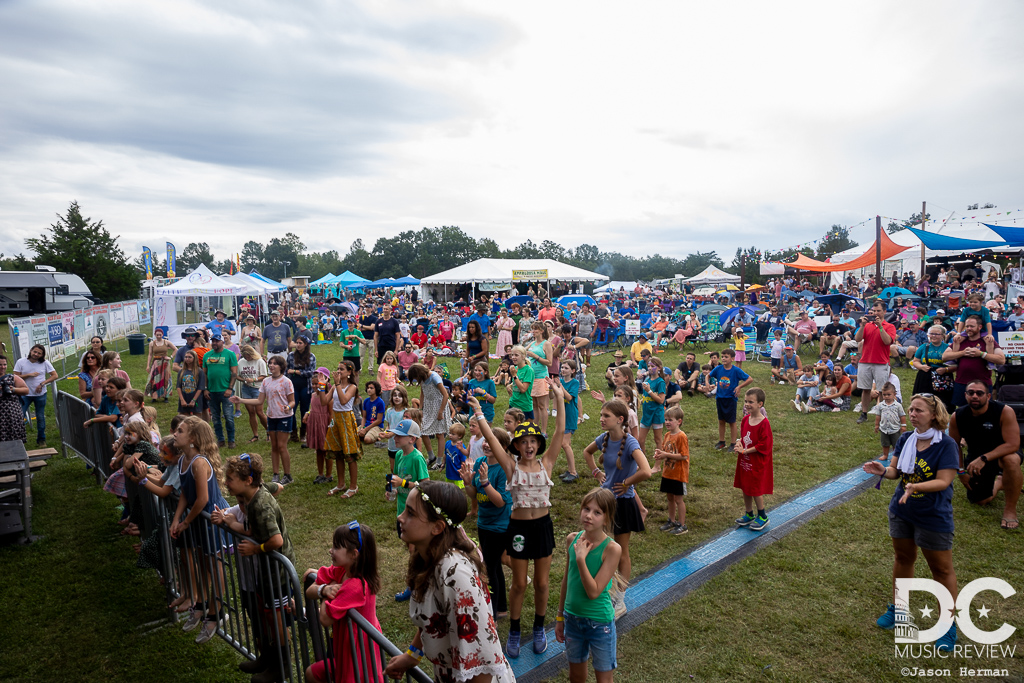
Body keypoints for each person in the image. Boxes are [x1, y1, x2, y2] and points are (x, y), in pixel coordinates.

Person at [385, 480, 516, 683]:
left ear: (437, 527)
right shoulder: (427, 558)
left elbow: (481, 665)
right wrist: (412, 656)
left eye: (410, 513)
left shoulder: (455, 575)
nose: (399, 517)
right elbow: (436, 619)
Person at [470, 383, 566, 658]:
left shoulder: (547, 463)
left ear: (539, 444)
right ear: (516, 445)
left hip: (543, 527)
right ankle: (514, 629)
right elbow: (490, 436)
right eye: (523, 442)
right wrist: (479, 414)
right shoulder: (511, 466)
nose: (529, 446)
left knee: (542, 583)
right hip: (519, 529)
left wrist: (558, 397)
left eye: (533, 441)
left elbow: (560, 430)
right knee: (520, 583)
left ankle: (538, 627)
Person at [863, 394, 959, 652]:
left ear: (934, 415)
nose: (913, 414)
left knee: (941, 570)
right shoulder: (906, 439)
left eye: (919, 410)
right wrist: (882, 469)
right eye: (911, 409)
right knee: (903, 559)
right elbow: (896, 472)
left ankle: (948, 624)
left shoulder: (947, 445)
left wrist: (915, 485)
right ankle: (898, 609)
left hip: (933, 515)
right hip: (902, 510)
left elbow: (943, 481)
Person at [215, 453, 297, 680]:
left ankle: (282, 667)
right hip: (266, 571)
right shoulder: (253, 495)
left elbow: (276, 541)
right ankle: (269, 658)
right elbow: (256, 528)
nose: (226, 483)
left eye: (230, 479)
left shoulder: (260, 505)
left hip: (277, 573)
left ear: (248, 480)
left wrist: (255, 549)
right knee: (267, 616)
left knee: (276, 618)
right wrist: (238, 526)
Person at [582, 400, 652, 618]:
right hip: (604, 502)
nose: (601, 419)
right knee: (599, 547)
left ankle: (619, 600)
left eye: (606, 416)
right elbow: (587, 452)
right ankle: (601, 588)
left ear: (620, 420)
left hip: (622, 504)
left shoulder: (630, 443)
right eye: (601, 415)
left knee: (621, 553)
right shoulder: (603, 439)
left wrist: (627, 482)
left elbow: (647, 471)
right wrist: (596, 472)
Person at [170, 417, 228, 644]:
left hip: (210, 520)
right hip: (197, 520)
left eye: (180, 431)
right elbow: (186, 492)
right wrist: (177, 519)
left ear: (192, 438)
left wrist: (185, 523)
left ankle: (216, 613)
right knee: (204, 564)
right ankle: (202, 604)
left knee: (215, 566)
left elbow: (203, 499)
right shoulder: (184, 460)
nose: (175, 433)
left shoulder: (199, 463)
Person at [555, 488, 622, 683]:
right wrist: (560, 616)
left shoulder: (611, 549)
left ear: (607, 519)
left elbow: (593, 591)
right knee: (575, 677)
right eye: (586, 509)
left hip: (599, 624)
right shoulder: (572, 539)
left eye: (597, 512)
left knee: (604, 679)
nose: (589, 516)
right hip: (572, 620)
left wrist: (582, 559)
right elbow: (567, 581)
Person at [303, 522, 383, 683]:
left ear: (354, 554)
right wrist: (324, 589)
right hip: (345, 650)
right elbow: (309, 590)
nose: (330, 550)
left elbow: (325, 619)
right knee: (311, 673)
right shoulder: (342, 570)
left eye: (336, 547)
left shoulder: (356, 585)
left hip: (357, 657)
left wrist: (329, 588)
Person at [949, 380, 1022, 529]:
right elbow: (953, 446)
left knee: (1012, 460)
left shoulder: (1004, 411)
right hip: (975, 458)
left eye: (979, 393)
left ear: (988, 396)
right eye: (971, 393)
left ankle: (1010, 510)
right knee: (981, 501)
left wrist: (984, 458)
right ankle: (1001, 482)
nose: (975, 396)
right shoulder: (957, 416)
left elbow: (1013, 444)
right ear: (965, 395)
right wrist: (961, 471)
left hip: (1002, 454)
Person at [460, 418, 513, 618]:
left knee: (490, 566)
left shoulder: (503, 470)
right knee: (493, 565)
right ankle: (501, 607)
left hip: (499, 526)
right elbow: (475, 495)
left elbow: (500, 502)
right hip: (484, 522)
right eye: (486, 442)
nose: (486, 445)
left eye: (493, 443)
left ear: (503, 448)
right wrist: (467, 483)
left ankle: (496, 609)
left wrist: (484, 481)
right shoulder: (481, 462)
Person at [232, 356, 295, 484]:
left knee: (282, 446)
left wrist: (288, 407)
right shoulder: (266, 381)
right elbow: (259, 400)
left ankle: (287, 475)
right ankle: (276, 474)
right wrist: (241, 400)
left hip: (284, 417)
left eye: (275, 364)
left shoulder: (286, 381)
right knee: (274, 446)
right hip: (271, 416)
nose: (271, 365)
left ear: (281, 367)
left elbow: (292, 401)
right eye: (270, 363)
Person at [943, 314, 1005, 408]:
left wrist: (981, 354)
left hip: (982, 384)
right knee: (962, 411)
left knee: (983, 411)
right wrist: (963, 353)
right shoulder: (961, 340)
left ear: (980, 327)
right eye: (967, 326)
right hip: (962, 383)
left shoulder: (987, 341)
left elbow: (1001, 360)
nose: (968, 329)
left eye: (972, 326)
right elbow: (944, 357)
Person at [734, 388, 774, 532]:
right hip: (745, 460)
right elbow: (744, 437)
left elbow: (764, 445)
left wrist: (745, 451)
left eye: (751, 402)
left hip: (757, 462)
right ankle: (749, 513)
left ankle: (762, 515)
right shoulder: (745, 419)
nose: (747, 404)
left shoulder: (764, 423)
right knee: (745, 486)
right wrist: (739, 443)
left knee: (755, 489)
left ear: (760, 404)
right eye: (746, 401)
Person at [322, 361, 362, 498]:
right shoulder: (334, 386)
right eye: (338, 368)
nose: (338, 371)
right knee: (337, 453)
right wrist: (322, 386)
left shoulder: (352, 387)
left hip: (346, 420)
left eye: (342, 369)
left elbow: (344, 400)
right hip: (336, 420)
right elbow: (323, 402)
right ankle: (341, 484)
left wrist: (338, 384)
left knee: (349, 454)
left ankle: (353, 486)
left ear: (349, 372)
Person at [856, 303, 897, 424]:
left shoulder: (889, 326)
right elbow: (858, 339)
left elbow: (887, 341)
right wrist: (862, 326)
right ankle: (864, 413)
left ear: (884, 312)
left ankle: (882, 414)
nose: (875, 313)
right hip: (865, 361)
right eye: (874, 311)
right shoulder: (868, 325)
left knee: (881, 390)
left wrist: (880, 327)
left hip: (881, 362)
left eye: (878, 311)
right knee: (865, 388)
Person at [406, 363, 453, 469]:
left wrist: (441, 411)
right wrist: (421, 409)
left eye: (416, 377)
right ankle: (431, 457)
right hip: (428, 407)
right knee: (423, 431)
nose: (416, 379)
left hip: (439, 406)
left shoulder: (434, 377)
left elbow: (445, 395)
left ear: (419, 374)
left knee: (440, 434)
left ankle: (440, 461)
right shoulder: (422, 379)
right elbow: (422, 394)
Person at [653, 406, 689, 534]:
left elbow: (684, 456)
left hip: (678, 474)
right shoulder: (667, 435)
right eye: (666, 419)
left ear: (679, 421)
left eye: (670, 420)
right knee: (670, 497)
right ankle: (672, 520)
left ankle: (682, 524)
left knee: (678, 499)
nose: (667, 422)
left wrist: (666, 455)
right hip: (667, 473)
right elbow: (665, 451)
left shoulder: (681, 436)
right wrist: (659, 454)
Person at [13, 344, 57, 447]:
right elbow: (15, 377)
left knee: (40, 417)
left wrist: (42, 383)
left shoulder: (45, 363)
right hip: (24, 394)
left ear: (42, 355)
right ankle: (19, 440)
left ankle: (41, 439)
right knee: (19, 416)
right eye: (35, 352)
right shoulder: (21, 362)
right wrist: (29, 375)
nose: (36, 354)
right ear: (31, 351)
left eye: (39, 353)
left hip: (40, 394)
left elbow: (55, 375)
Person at [710, 349, 752, 451]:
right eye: (723, 356)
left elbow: (749, 379)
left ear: (732, 359)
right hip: (720, 398)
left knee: (732, 422)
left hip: (731, 399)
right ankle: (722, 442)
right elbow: (709, 375)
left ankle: (733, 443)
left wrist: (739, 387)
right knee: (721, 421)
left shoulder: (736, 370)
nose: (724, 358)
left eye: (726, 357)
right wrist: (707, 384)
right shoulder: (719, 369)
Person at [203, 333, 239, 449]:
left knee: (228, 417)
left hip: (226, 390)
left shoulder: (230, 354)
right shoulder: (207, 355)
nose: (214, 343)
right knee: (215, 417)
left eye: (217, 341)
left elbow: (234, 373)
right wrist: (205, 388)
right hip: (212, 391)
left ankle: (231, 440)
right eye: (213, 341)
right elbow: (204, 373)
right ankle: (220, 439)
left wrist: (230, 388)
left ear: (222, 342)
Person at [909, 325, 954, 410]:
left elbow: (956, 365)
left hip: (943, 377)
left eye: (936, 334)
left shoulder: (948, 348)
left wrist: (946, 369)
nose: (933, 336)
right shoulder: (924, 347)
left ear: (942, 335)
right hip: (925, 376)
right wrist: (921, 367)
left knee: (942, 403)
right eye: (931, 333)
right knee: (924, 401)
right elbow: (915, 361)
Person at [286, 335, 316, 444]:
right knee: (291, 411)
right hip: (292, 387)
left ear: (305, 344)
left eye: (300, 343)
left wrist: (296, 372)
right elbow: (286, 370)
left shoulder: (311, 356)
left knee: (305, 410)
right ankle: (293, 434)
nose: (297, 345)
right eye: (297, 343)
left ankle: (304, 433)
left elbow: (312, 372)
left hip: (306, 387)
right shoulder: (290, 356)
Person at [525, 322, 555, 433]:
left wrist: (535, 356)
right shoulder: (532, 343)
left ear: (542, 331)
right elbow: (523, 352)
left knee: (542, 405)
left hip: (541, 377)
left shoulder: (546, 344)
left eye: (535, 329)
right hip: (531, 378)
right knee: (534, 405)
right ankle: (535, 428)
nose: (533, 331)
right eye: (532, 329)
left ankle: (544, 431)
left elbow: (549, 362)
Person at [236, 345, 269, 444]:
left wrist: (254, 379)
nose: (247, 358)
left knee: (259, 412)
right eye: (245, 356)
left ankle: (269, 431)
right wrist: (244, 380)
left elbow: (264, 375)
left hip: (258, 388)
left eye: (248, 356)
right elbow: (237, 376)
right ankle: (255, 435)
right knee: (251, 412)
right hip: (246, 388)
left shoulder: (260, 361)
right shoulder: (241, 362)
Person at [869, 383, 907, 460]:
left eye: (889, 394)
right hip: (884, 428)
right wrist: (877, 425)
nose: (886, 397)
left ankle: (895, 456)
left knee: (895, 444)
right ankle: (885, 455)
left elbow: (902, 415)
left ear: (894, 394)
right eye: (884, 395)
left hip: (895, 428)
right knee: (885, 444)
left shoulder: (898, 405)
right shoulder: (880, 405)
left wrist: (903, 425)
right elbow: (878, 416)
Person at [558, 360, 581, 483]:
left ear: (572, 371)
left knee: (564, 444)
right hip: (562, 416)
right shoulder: (561, 381)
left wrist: (559, 387)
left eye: (566, 368)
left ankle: (573, 472)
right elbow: (553, 397)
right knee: (567, 444)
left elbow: (569, 397)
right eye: (562, 367)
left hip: (570, 416)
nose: (563, 370)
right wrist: (551, 386)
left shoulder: (575, 383)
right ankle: (570, 469)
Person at [0, 355, 29, 443]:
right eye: (0, 365)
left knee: (14, 438)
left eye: (4, 364)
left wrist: (13, 389)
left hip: (12, 414)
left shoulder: (12, 378)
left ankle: (17, 455)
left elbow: (26, 390)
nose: (2, 367)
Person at [144, 328, 176, 402]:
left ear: (162, 335)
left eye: (160, 335)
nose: (158, 336)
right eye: (157, 335)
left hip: (165, 362)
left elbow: (175, 349)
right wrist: (148, 365)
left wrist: (170, 357)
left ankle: (166, 396)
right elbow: (150, 354)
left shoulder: (167, 342)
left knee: (166, 378)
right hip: (156, 362)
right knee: (155, 379)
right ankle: (154, 396)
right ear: (155, 335)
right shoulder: (152, 343)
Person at [506, 345, 535, 420]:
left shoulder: (528, 370)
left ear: (523, 356)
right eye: (512, 355)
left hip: (524, 406)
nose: (513, 357)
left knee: (525, 430)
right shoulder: (516, 368)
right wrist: (509, 386)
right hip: (513, 403)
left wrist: (514, 376)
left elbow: (523, 389)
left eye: (516, 355)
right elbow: (516, 383)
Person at [358, 381, 385, 445]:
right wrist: (362, 428)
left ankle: (376, 436)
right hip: (366, 425)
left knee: (367, 440)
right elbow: (364, 417)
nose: (369, 390)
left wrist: (365, 429)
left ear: (376, 389)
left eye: (371, 388)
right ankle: (367, 435)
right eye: (367, 388)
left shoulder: (380, 402)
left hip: (377, 426)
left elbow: (379, 420)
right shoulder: (366, 401)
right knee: (352, 436)